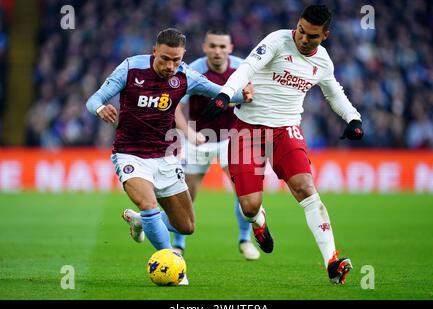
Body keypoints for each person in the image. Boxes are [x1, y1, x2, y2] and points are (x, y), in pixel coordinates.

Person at [203, 5, 364, 284]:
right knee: (250, 207)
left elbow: (333, 92)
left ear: (325, 35)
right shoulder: (277, 40)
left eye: (311, 36)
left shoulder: (323, 62)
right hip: (247, 130)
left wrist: (352, 118)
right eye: (301, 30)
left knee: (306, 188)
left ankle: (332, 262)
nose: (303, 38)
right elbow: (247, 67)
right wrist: (225, 93)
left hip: (286, 130)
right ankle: (259, 222)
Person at [85, 28, 251, 285]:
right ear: (154, 52)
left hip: (165, 157)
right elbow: (94, 98)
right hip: (130, 154)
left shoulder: (186, 75)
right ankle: (172, 265)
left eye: (176, 59)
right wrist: (99, 108)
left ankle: (139, 222)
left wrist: (244, 95)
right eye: (165, 59)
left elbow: (219, 91)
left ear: (183, 56)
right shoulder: (131, 69)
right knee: (150, 205)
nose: (171, 65)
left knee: (186, 226)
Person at [172, 29, 260, 260]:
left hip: (232, 139)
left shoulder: (242, 68)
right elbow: (175, 109)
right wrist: (189, 133)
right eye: (213, 46)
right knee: (187, 195)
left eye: (222, 46)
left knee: (243, 192)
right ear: (204, 47)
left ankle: (244, 240)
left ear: (230, 48)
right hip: (199, 139)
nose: (217, 51)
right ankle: (179, 245)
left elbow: (253, 97)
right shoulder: (192, 70)